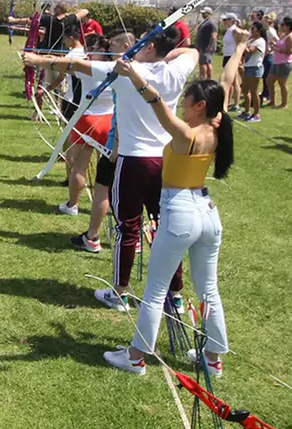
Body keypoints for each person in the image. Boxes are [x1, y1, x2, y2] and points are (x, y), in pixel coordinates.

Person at [29, 26, 215, 310]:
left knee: (127, 229)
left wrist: (37, 61)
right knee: (163, 228)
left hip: (132, 161)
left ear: (150, 48)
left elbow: (75, 64)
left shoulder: (123, 73)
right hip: (166, 161)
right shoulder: (174, 71)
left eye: (142, 44)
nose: (137, 47)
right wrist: (162, 57)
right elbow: (191, 51)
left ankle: (120, 292)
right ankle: (175, 295)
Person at [102, 56, 241, 378]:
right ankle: (213, 357)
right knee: (209, 291)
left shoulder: (186, 135)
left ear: (200, 106)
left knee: (154, 291)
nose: (183, 105)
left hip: (181, 214)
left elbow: (156, 102)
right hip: (206, 214)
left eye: (188, 101)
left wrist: (132, 74)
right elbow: (228, 80)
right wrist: (240, 48)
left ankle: (136, 357)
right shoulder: (216, 128)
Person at [56, 27, 113, 218]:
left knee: (79, 165)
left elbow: (60, 65)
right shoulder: (118, 68)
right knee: (108, 169)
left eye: (92, 49)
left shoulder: (86, 69)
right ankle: (110, 206)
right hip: (110, 121)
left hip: (87, 118)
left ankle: (73, 204)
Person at [239, 16, 266, 122]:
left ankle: (256, 114)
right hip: (248, 67)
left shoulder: (260, 41)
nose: (251, 30)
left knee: (254, 91)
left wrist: (241, 42)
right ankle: (246, 111)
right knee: (245, 90)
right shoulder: (251, 40)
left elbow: (249, 51)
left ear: (258, 31)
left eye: (253, 29)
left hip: (255, 68)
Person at [269, 17, 292, 109]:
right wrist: (274, 43)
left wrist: (276, 49)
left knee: (282, 83)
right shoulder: (283, 34)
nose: (281, 26)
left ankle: (284, 103)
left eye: (283, 25)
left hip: (285, 62)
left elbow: (290, 50)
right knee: (269, 80)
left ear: (289, 26)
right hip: (277, 61)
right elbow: (280, 44)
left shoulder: (291, 36)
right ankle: (272, 101)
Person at [220, 13, 241, 111]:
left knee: (235, 81)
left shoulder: (234, 30)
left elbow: (239, 43)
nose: (224, 22)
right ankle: (228, 101)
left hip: (231, 56)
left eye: (226, 20)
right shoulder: (229, 30)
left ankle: (236, 104)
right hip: (226, 56)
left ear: (232, 20)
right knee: (229, 81)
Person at [259, 12, 279, 105]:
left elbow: (277, 40)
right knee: (264, 76)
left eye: (265, 19)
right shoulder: (266, 30)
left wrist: (271, 48)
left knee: (267, 76)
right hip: (265, 54)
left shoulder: (271, 31)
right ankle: (264, 93)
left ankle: (267, 95)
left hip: (269, 55)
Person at [195, 7, 218, 80]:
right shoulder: (205, 22)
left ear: (209, 13)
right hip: (203, 46)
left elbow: (214, 36)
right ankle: (207, 78)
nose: (202, 14)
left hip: (207, 47)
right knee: (206, 62)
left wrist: (210, 46)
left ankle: (204, 78)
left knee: (204, 63)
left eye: (204, 13)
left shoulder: (211, 23)